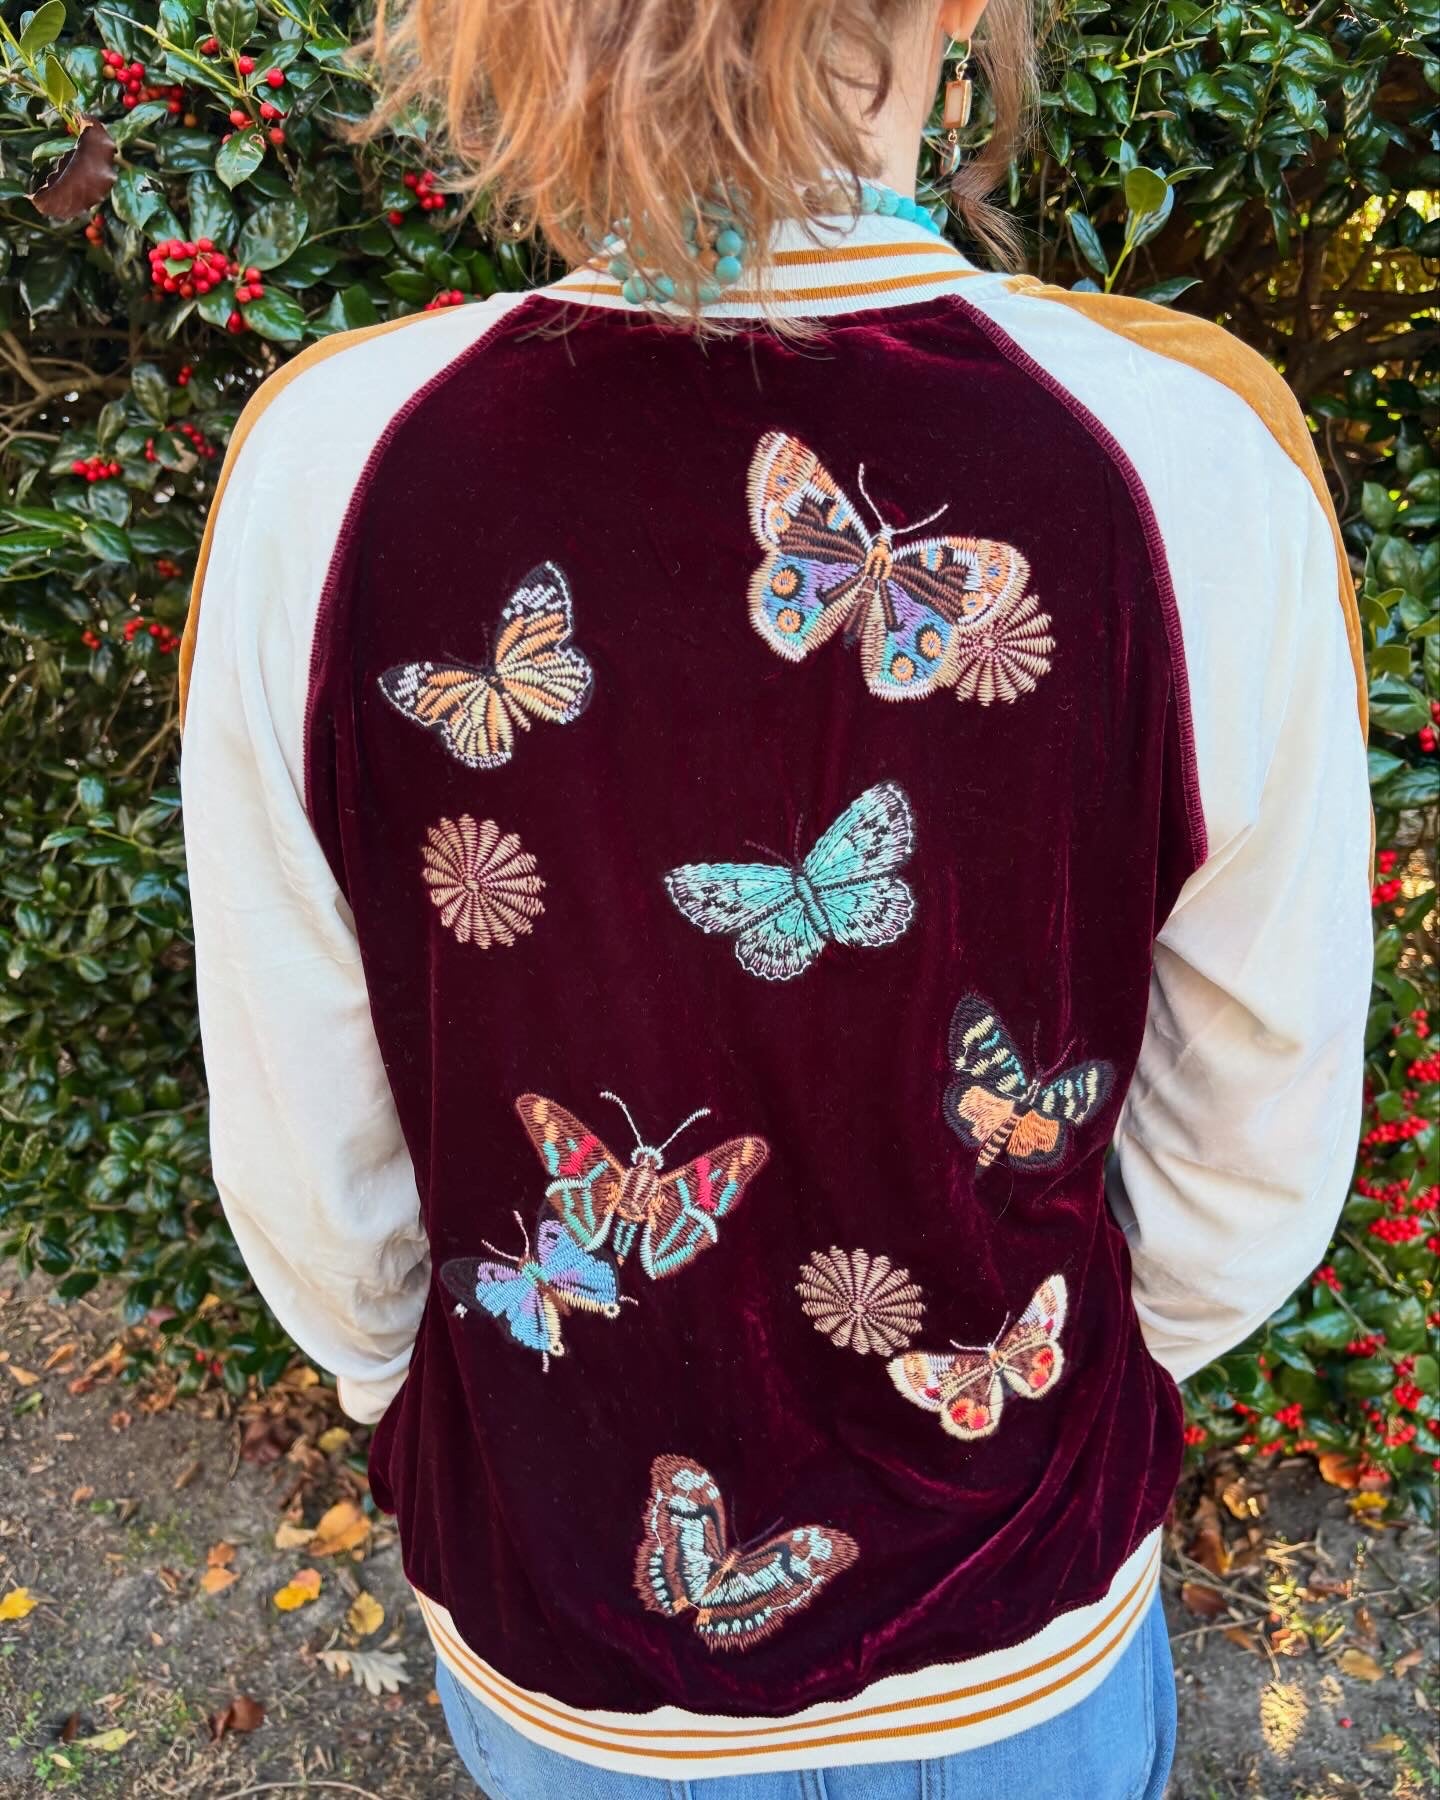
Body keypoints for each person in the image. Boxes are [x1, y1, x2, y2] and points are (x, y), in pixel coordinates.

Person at [178, 0, 1372, 1793]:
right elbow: (1256, 1128)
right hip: (1016, 1617)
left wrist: (426, 1402)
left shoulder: (332, 469)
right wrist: (1061, 1388)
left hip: (567, 1615)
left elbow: (306, 1138)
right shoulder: (1185, 460)